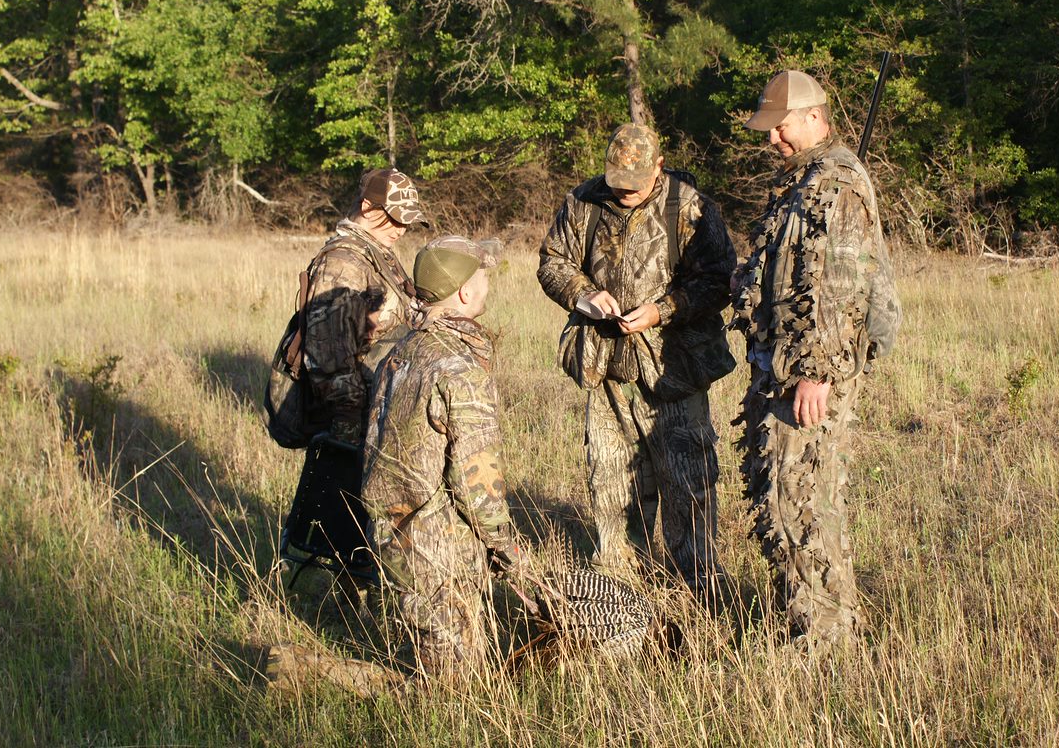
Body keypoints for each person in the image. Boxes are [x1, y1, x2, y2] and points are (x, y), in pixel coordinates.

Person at [731, 70, 901, 646]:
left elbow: (840, 290)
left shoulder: (838, 183)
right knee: (776, 493)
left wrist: (815, 373)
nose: (770, 140)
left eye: (779, 128)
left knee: (802, 499)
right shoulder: (803, 178)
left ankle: (825, 640)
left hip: (808, 373)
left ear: (813, 117)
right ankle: (803, 620)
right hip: (780, 365)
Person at [538, 123, 737, 600]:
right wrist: (585, 296)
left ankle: (697, 597)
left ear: (659, 168)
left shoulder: (690, 207)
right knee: (609, 480)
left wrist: (662, 310)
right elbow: (552, 262)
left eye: (635, 184)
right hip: (605, 368)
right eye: (616, 182)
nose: (623, 192)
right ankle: (618, 595)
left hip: (674, 370)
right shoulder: (583, 201)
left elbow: (720, 281)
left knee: (687, 481)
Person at [362, 236, 527, 677]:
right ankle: (309, 674)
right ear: (465, 293)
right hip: (439, 546)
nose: (488, 285)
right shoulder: (460, 368)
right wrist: (505, 548)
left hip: (394, 532)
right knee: (456, 687)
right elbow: (475, 478)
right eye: (483, 277)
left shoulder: (398, 352)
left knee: (426, 654)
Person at [280, 168, 428, 581]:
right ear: (368, 208)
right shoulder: (344, 262)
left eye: (407, 219)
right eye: (396, 217)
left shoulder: (375, 251)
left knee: (359, 521)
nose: (403, 227)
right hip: (354, 409)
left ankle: (355, 578)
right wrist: (354, 421)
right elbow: (327, 356)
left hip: (375, 399)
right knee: (341, 515)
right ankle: (332, 587)